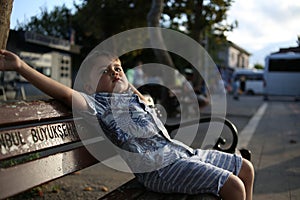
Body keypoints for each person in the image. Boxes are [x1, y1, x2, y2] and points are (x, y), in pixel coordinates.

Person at [0, 49, 254, 200]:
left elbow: (137, 94)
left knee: (245, 168)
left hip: (181, 154)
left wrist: (124, 82)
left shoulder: (131, 97)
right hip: (159, 170)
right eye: (105, 71)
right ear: (89, 86)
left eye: (118, 68)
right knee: (233, 185)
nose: (114, 72)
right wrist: (21, 67)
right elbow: (66, 94)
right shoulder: (96, 103)